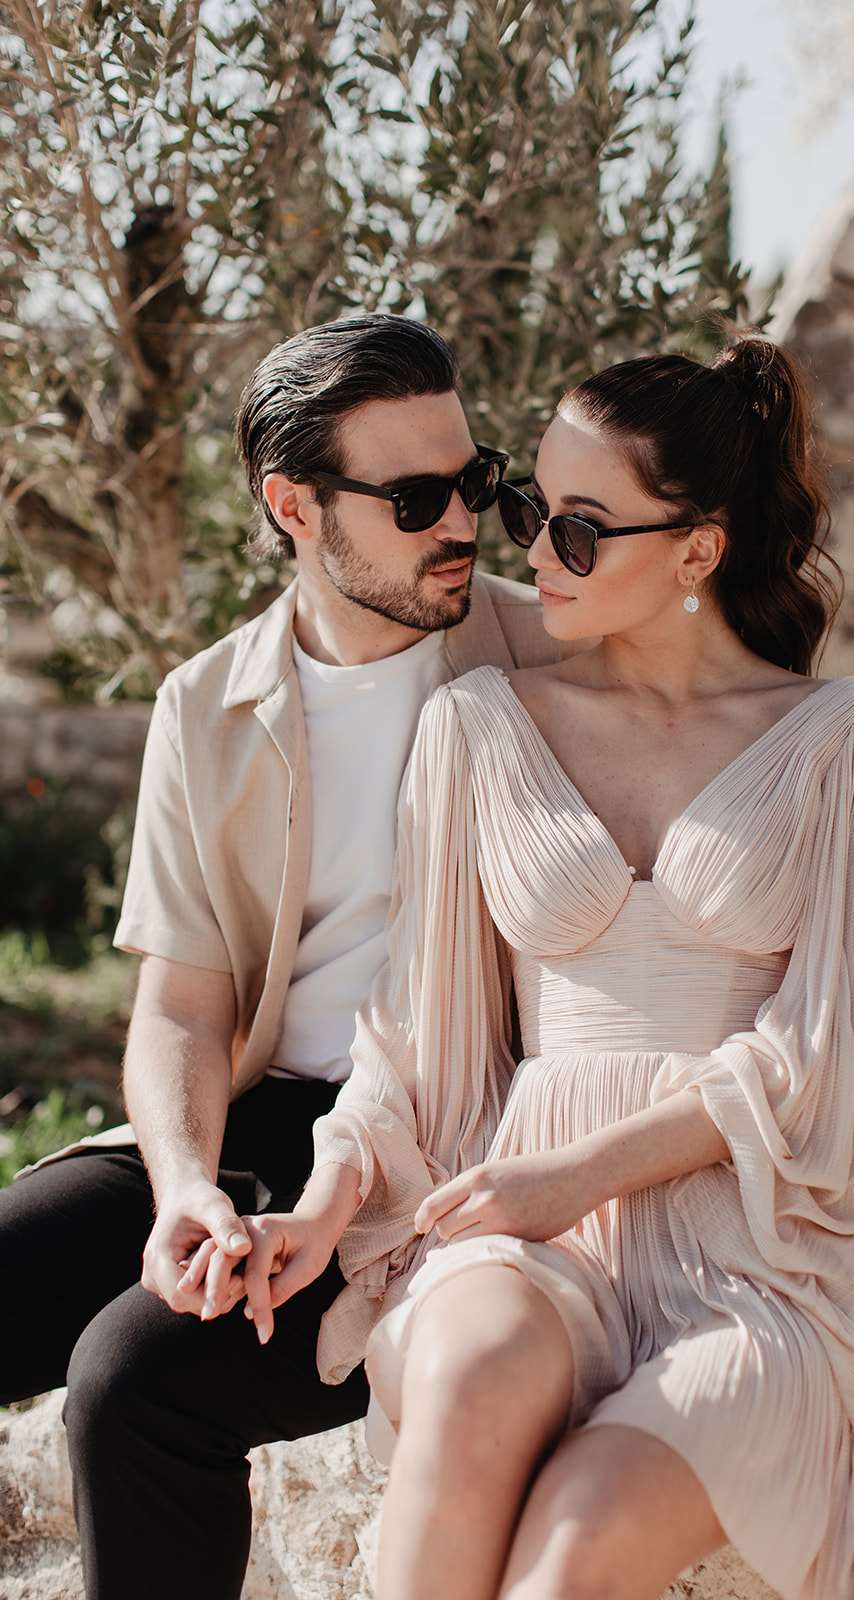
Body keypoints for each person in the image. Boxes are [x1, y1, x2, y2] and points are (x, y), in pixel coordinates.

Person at [211, 328, 854, 1600]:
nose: (533, 553)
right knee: (463, 1380)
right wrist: (330, 1200)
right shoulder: (479, 726)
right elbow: (416, 1038)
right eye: (531, 512)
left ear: (697, 548)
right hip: (522, 1229)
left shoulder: (849, 739)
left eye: (579, 528)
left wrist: (580, 1172)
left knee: (573, 1548)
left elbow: (827, 1056)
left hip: (766, 1258)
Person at [0, 313, 583, 1600]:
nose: (460, 524)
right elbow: (180, 1001)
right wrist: (185, 1189)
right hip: (264, 1112)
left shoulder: (550, 659)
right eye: (415, 497)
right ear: (293, 505)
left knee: (131, 1383)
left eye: (471, 482)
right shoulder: (204, 705)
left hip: (447, 1139)